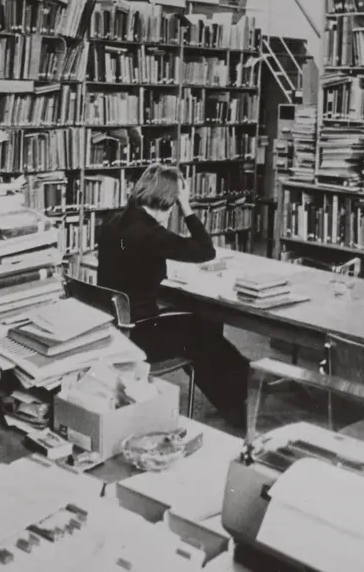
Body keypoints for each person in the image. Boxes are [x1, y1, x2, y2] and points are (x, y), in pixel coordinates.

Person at [96, 164, 250, 428]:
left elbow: (133, 256)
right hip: (139, 335)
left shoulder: (113, 222)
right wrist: (187, 207)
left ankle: (236, 392)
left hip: (114, 327)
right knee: (204, 330)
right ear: (169, 200)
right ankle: (239, 401)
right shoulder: (151, 233)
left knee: (202, 326)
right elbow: (205, 250)